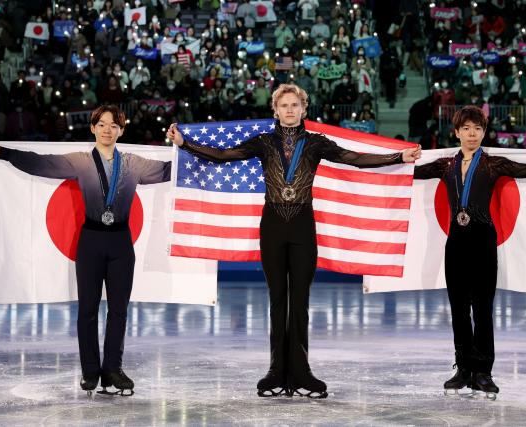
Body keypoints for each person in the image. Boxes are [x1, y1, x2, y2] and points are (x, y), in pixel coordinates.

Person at [167, 84, 421, 399]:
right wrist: (184, 143)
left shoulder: (315, 143)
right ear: (276, 110)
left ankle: (301, 372)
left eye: (295, 105)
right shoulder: (264, 142)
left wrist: (399, 155)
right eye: (284, 105)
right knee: (277, 302)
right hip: (272, 226)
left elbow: (353, 158)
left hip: (302, 228)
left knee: (299, 303)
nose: (289, 110)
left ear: (304, 108)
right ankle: (277, 370)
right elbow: (222, 156)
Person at [0, 105, 172, 397]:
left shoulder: (134, 164)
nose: (108, 130)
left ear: (121, 130)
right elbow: (40, 163)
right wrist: (1, 151)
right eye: (102, 124)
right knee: (88, 310)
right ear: (92, 128)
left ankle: (113, 370)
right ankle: (91, 371)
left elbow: (172, 170)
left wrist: (192, 148)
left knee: (119, 311)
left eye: (113, 125)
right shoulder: (79, 161)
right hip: (91, 241)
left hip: (120, 243)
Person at [413, 106, 526, 399]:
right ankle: (464, 368)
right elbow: (409, 174)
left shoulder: (493, 164)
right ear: (456, 132)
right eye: (467, 129)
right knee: (459, 310)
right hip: (455, 243)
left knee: (482, 310)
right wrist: (394, 160)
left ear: (484, 132)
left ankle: (483, 371)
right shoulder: (444, 166)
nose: (472, 134)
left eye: (478, 129)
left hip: (483, 241)